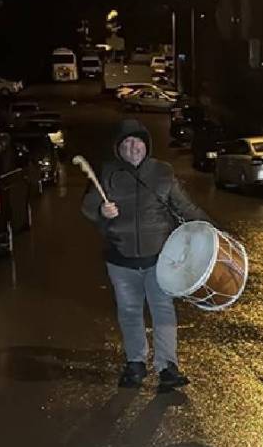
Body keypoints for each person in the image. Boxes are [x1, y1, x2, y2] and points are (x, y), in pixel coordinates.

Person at [82, 118, 212, 392]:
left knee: (162, 310)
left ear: (146, 145)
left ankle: (167, 367)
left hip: (160, 259)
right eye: (127, 142)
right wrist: (101, 212)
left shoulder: (162, 172)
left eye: (138, 141)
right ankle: (135, 362)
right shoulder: (108, 174)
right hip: (120, 259)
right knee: (129, 311)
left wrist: (213, 232)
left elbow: (186, 207)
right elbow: (88, 206)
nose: (133, 147)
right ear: (119, 148)